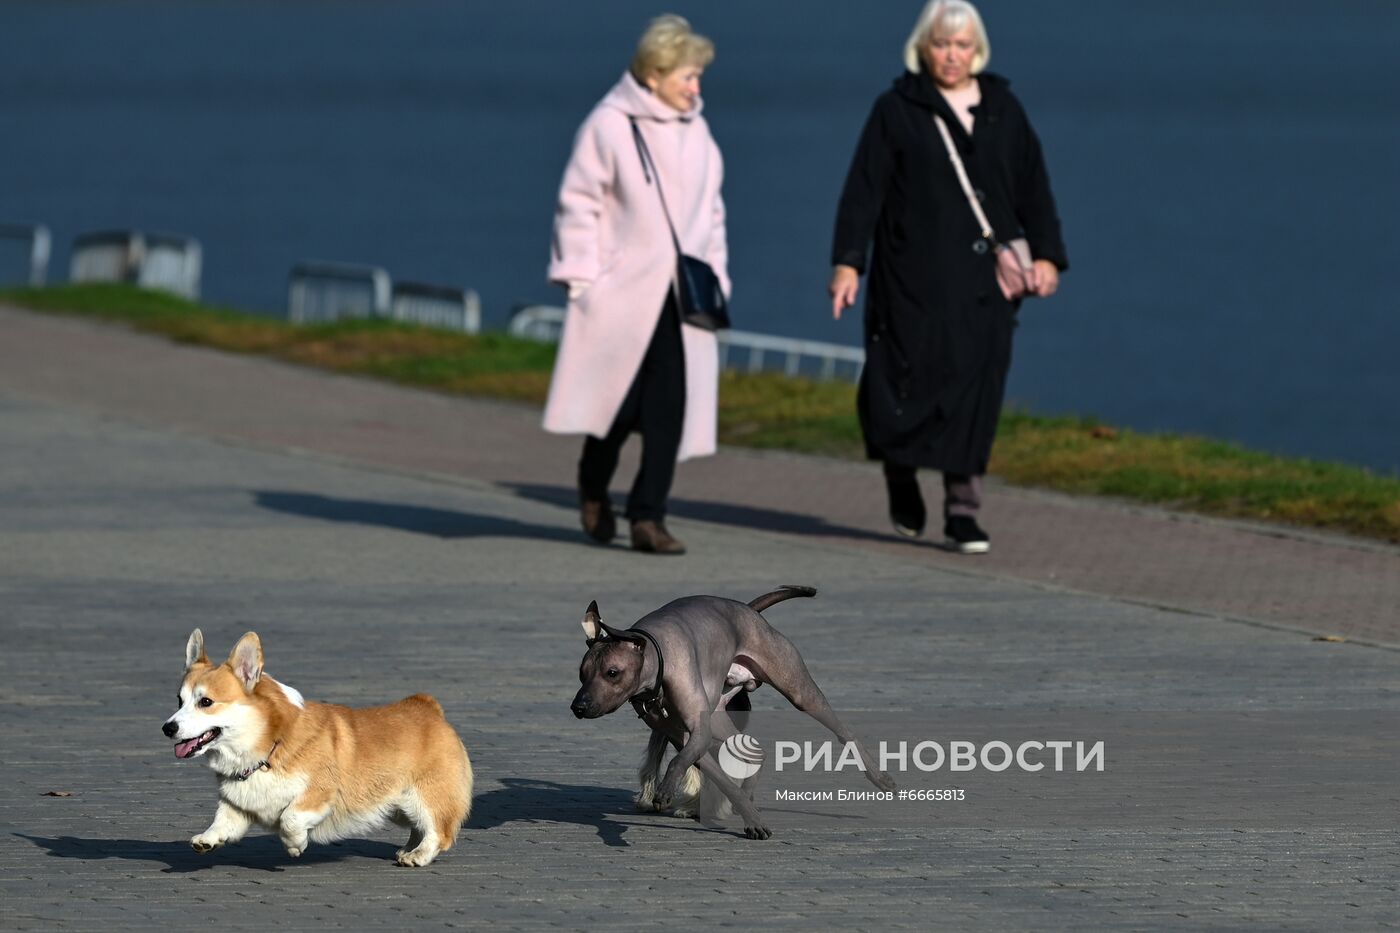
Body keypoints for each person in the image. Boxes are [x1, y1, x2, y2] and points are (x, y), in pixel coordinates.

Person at [828, 0, 1067, 554]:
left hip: (985, 284)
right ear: (923, 47)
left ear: (976, 48)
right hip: (910, 278)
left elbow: (1034, 186)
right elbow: (863, 191)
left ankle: (963, 509)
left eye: (962, 45)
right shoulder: (896, 109)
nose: (952, 56)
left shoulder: (1004, 107)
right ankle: (900, 471)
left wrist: (1049, 256)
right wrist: (847, 261)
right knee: (900, 383)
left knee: (976, 391)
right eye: (942, 44)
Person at [543, 14, 728, 556]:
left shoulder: (699, 131)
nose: (696, 87)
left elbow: (713, 214)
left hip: (682, 298)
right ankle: (593, 484)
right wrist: (583, 277)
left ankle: (649, 517)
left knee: (670, 409)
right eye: (687, 76)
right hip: (621, 293)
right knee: (617, 408)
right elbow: (579, 201)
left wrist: (717, 277)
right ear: (654, 73)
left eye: (698, 76)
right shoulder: (610, 124)